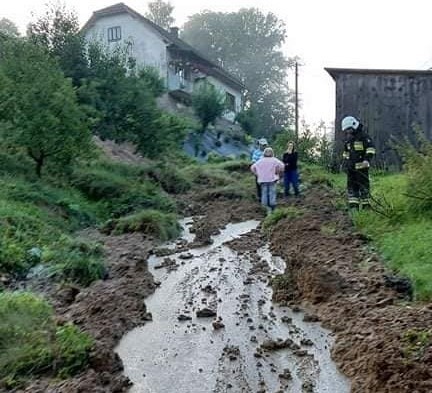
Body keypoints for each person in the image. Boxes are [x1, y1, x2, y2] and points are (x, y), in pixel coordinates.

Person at [341, 116, 376, 209]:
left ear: (354, 125)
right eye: (346, 130)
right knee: (352, 189)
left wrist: (366, 160)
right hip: (351, 170)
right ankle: (353, 208)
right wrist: (345, 164)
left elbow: (371, 149)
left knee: (364, 188)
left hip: (362, 169)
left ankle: (366, 208)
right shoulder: (348, 140)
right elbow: (346, 153)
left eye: (349, 129)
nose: (348, 132)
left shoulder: (363, 137)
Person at [251, 147, 284, 214]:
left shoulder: (261, 160)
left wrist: (257, 174)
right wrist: (277, 171)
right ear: (272, 153)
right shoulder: (274, 160)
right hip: (272, 179)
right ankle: (272, 207)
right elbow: (282, 166)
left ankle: (265, 207)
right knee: (272, 193)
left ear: (264, 153)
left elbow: (252, 167)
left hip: (263, 180)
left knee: (264, 193)